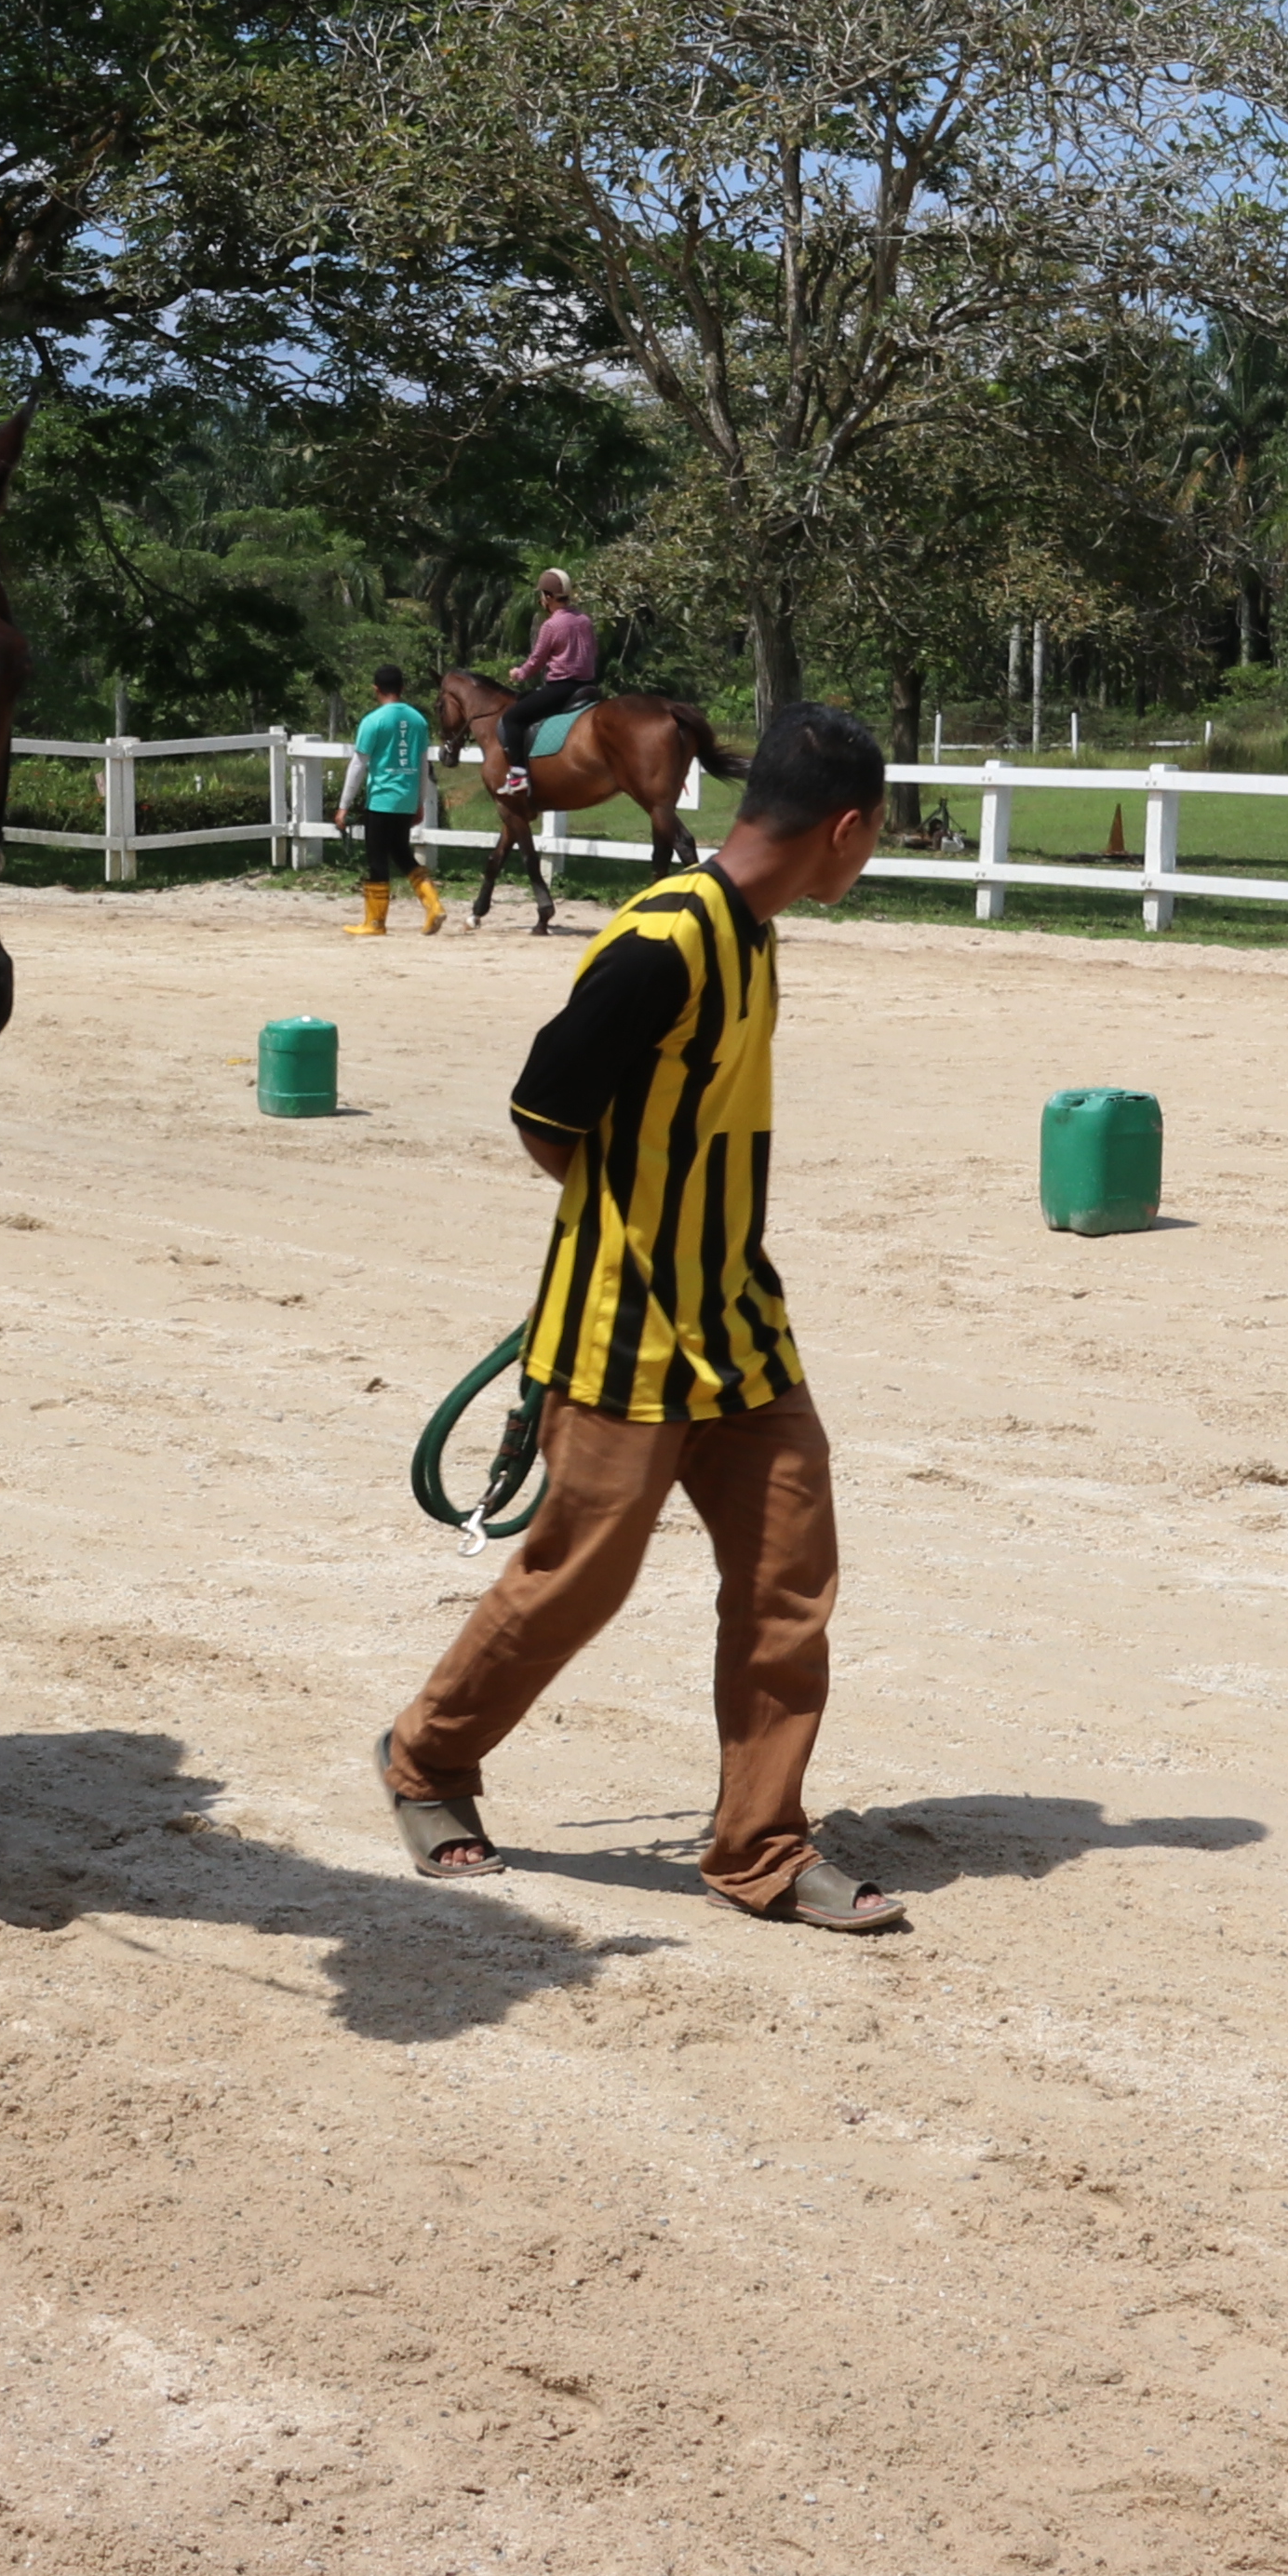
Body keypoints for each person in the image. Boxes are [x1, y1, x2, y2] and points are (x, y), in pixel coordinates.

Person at [376, 701, 909, 1932]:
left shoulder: (755, 932)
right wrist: (640, 1228)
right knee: (575, 1583)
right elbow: (540, 1114)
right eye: (874, 835)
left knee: (789, 1583)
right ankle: (425, 1759)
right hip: (623, 1331)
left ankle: (762, 1849)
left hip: (741, 1331)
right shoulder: (662, 943)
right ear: (844, 828)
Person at [344, 661, 444, 936]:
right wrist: (421, 802)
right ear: (402, 688)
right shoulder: (418, 721)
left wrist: (343, 805)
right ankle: (433, 904)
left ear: (376, 689)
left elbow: (358, 765)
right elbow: (424, 766)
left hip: (381, 800)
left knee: (377, 858)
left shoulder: (372, 721)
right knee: (400, 852)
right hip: (406, 798)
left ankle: (375, 922)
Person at [491, 568, 600, 801]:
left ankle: (518, 775)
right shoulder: (584, 619)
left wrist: (518, 674)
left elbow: (537, 660)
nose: (541, 599)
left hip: (562, 687)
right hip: (587, 685)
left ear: (549, 597)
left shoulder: (551, 626)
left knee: (513, 718)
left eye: (542, 594)